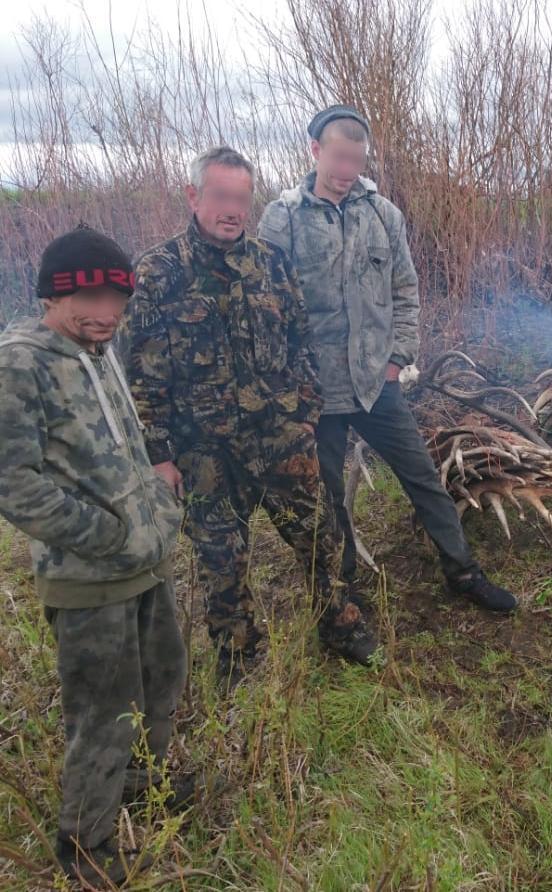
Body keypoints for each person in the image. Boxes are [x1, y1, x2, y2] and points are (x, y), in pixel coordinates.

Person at [122, 145, 378, 675]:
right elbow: (143, 376)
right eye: (220, 196)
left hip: (280, 437)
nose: (233, 209)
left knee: (318, 538)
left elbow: (301, 340)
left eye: (242, 197)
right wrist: (159, 456)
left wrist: (305, 414)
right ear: (194, 197)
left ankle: (339, 622)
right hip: (205, 450)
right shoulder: (157, 273)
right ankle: (236, 651)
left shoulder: (270, 263)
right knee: (220, 560)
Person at [258, 105, 518, 613]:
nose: (346, 170)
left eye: (356, 159)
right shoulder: (283, 217)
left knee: (421, 476)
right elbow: (267, 307)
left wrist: (398, 357)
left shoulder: (383, 214)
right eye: (338, 158)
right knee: (327, 494)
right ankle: (344, 589)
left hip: (377, 383)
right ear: (315, 151)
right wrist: (286, 381)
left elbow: (405, 288)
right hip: (315, 390)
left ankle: (463, 571)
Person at [0, 226, 187, 886]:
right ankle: (85, 848)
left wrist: (156, 508)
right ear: (54, 293)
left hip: (145, 559)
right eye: (93, 299)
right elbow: (12, 481)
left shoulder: (100, 349)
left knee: (163, 678)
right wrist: (106, 533)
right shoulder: (19, 363)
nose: (108, 313)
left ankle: (143, 787)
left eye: (118, 300)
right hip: (88, 576)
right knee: (103, 712)